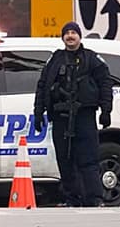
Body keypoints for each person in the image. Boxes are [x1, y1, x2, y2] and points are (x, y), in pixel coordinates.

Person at [33, 22, 114, 207]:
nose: (70, 36)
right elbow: (43, 85)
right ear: (63, 37)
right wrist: (38, 112)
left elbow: (105, 84)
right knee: (65, 160)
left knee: (88, 159)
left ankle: (94, 199)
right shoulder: (55, 59)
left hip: (84, 116)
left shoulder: (91, 59)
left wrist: (106, 110)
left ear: (79, 36)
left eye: (73, 33)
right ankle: (72, 198)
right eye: (67, 33)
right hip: (61, 116)